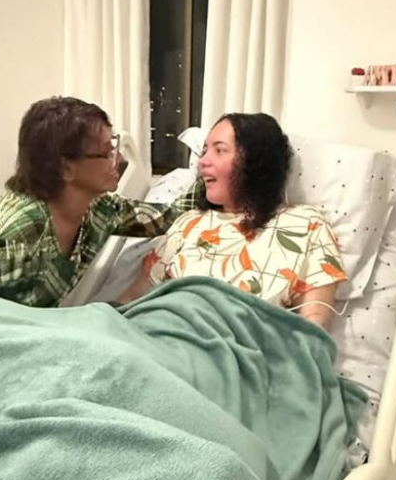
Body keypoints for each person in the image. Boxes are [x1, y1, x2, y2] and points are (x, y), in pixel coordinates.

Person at [0, 96, 201, 308]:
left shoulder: (99, 210)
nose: (118, 160)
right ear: (65, 169)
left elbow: (167, 217)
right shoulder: (17, 234)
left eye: (115, 147)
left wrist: (211, 174)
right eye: (106, 153)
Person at [119, 113, 347, 329]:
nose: (203, 161)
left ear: (255, 162)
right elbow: (131, 301)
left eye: (219, 150)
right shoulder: (188, 223)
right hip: (158, 337)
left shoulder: (305, 225)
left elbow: (314, 329)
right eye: (204, 151)